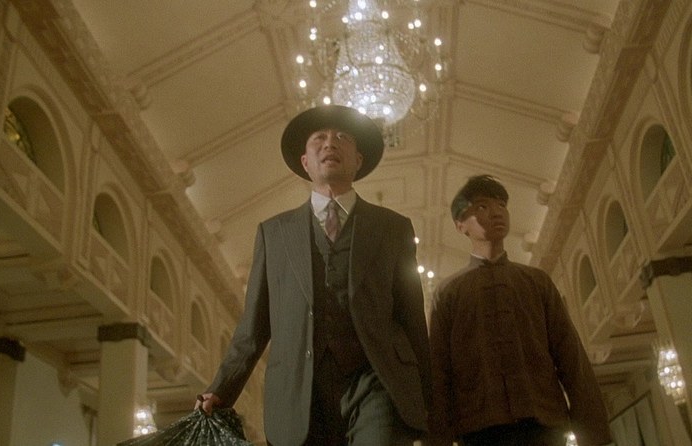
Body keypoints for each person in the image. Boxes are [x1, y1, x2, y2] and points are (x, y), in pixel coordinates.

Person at [195, 105, 432, 446]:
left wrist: (428, 406)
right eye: (319, 138)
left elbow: (412, 319)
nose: (330, 143)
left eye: (342, 137)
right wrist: (221, 389)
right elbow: (254, 326)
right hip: (300, 390)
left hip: (377, 382)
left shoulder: (393, 228)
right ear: (305, 162)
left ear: (358, 160)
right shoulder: (273, 233)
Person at [428, 175, 613, 446]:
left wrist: (593, 433)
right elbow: (438, 371)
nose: (496, 212)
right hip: (480, 429)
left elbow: (570, 355)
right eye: (482, 206)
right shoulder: (448, 293)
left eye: (501, 205)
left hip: (544, 423)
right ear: (460, 225)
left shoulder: (536, 282)